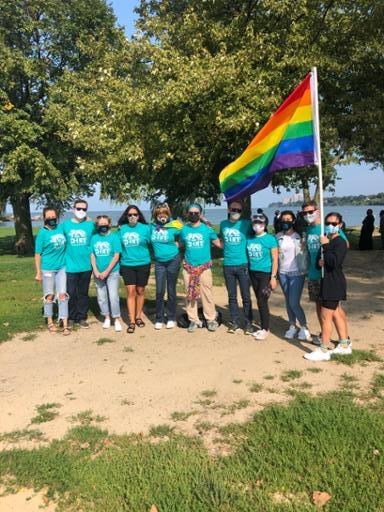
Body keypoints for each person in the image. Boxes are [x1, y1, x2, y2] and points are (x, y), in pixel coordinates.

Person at [305, 212, 350, 361]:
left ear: (340, 225)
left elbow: (334, 262)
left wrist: (325, 245)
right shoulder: (327, 241)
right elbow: (321, 261)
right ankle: (344, 344)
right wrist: (320, 260)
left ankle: (324, 349)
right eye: (328, 223)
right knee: (335, 313)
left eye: (334, 224)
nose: (330, 226)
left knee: (326, 317)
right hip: (327, 281)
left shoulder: (340, 242)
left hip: (334, 283)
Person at [179, 203, 221, 333]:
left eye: (196, 213)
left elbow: (218, 244)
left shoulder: (207, 230)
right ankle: (193, 320)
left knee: (206, 293)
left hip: (204, 267)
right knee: (190, 294)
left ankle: (210, 319)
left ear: (200, 214)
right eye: (190, 212)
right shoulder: (184, 230)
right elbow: (180, 244)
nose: (193, 215)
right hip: (188, 267)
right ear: (187, 214)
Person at [276, 210, 311, 341]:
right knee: (288, 301)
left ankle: (304, 327)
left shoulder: (301, 236)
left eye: (289, 219)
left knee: (293, 302)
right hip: (283, 273)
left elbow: (309, 250)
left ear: (293, 221)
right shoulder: (278, 236)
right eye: (283, 219)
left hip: (297, 273)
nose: (286, 222)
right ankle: (292, 326)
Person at [219, 200, 253, 334]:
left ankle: (248, 323)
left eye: (239, 210)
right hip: (228, 265)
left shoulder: (246, 224)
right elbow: (221, 242)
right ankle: (235, 322)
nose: (236, 212)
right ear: (228, 210)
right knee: (232, 296)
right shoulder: (223, 224)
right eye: (233, 210)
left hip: (243, 264)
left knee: (246, 296)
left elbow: (257, 233)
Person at [34, 207, 69, 335]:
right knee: (49, 295)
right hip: (48, 268)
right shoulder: (42, 233)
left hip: (62, 267)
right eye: (48, 217)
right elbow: (38, 254)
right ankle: (50, 321)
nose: (52, 219)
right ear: (44, 219)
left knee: (63, 294)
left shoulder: (62, 228)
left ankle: (64, 322)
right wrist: (38, 272)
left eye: (53, 216)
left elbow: (75, 225)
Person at [118, 205, 151, 334]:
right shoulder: (122, 229)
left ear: (139, 216)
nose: (132, 217)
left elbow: (156, 238)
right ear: (126, 216)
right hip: (127, 264)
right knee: (130, 291)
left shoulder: (145, 228)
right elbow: (115, 244)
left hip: (143, 263)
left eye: (135, 215)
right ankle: (131, 321)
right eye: (130, 215)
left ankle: (138, 316)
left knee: (140, 290)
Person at [62, 199, 95, 328]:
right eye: (78, 208)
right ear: (73, 209)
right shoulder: (65, 225)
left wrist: (90, 219)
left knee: (83, 293)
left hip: (86, 266)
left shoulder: (90, 225)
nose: (81, 211)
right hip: (70, 266)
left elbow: (103, 228)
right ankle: (71, 317)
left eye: (84, 209)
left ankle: (81, 317)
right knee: (70, 292)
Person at [247, 213, 278, 340]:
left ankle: (265, 329)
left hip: (265, 273)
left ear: (265, 225)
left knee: (262, 299)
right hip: (252, 272)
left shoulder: (270, 239)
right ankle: (262, 327)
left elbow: (275, 259)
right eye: (255, 223)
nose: (257, 226)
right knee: (259, 299)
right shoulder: (250, 239)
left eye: (260, 223)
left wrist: (273, 277)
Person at [150, 203, 181, 329]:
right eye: (159, 215)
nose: (162, 217)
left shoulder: (174, 225)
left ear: (168, 215)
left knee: (171, 290)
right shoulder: (151, 227)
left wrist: (179, 243)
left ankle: (171, 317)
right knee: (159, 290)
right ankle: (159, 318)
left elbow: (188, 231)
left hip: (173, 260)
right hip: (159, 262)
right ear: (156, 216)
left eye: (165, 215)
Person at [90, 215, 123, 332]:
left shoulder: (114, 237)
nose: (103, 226)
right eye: (100, 224)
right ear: (97, 225)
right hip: (98, 273)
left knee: (113, 296)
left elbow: (116, 256)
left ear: (109, 224)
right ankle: (107, 317)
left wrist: (106, 271)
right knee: (101, 296)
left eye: (105, 224)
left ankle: (117, 318)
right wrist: (96, 270)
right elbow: (92, 255)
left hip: (112, 272)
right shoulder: (94, 238)